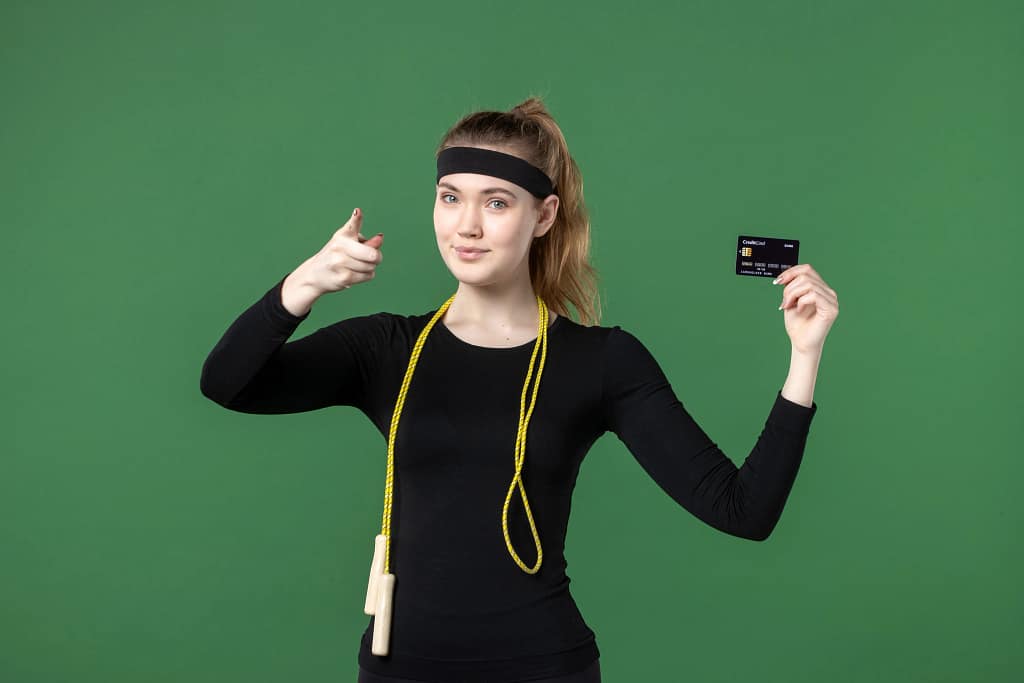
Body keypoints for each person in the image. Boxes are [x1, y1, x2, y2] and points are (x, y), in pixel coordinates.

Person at [199, 96, 839, 683]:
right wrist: (300, 288)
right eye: (450, 197)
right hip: (401, 667)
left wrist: (803, 359)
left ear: (544, 216)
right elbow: (228, 384)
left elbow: (743, 511)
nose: (466, 225)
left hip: (543, 666)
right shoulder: (385, 349)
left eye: (496, 202)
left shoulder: (603, 361)